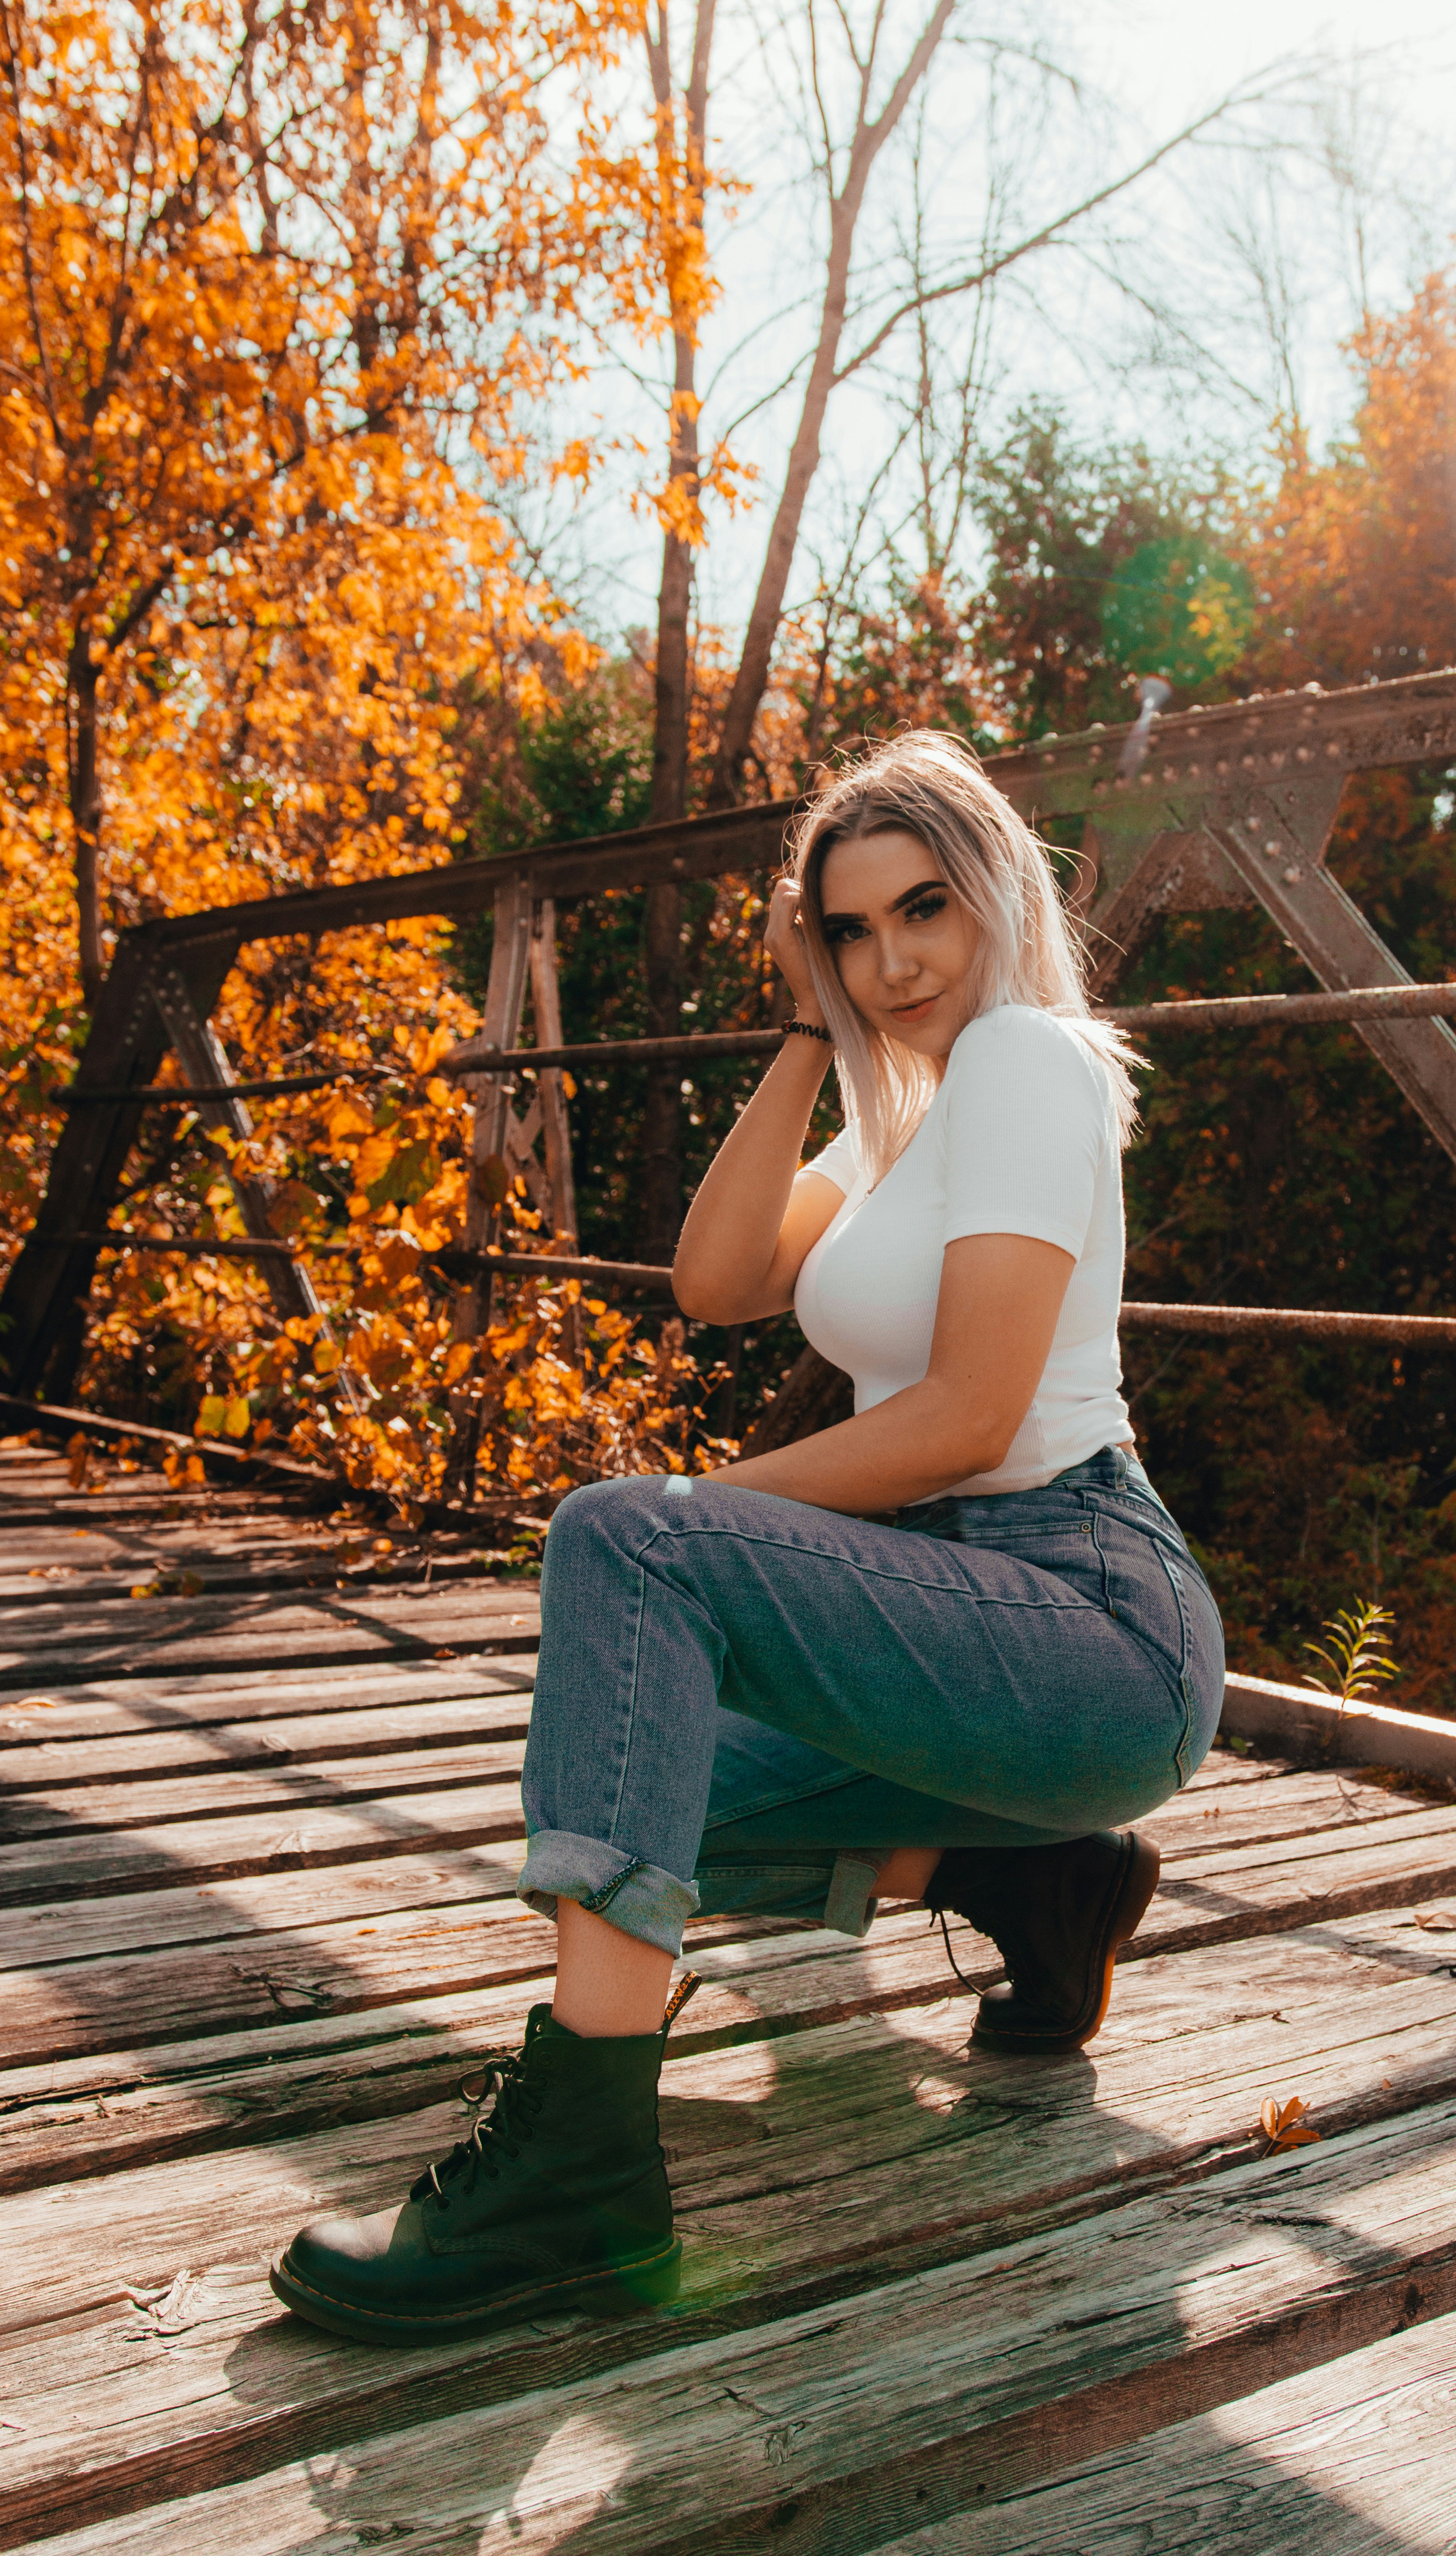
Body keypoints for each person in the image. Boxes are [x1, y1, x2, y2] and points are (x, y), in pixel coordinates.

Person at [269, 730, 1227, 2345]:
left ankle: (579, 2169)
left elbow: (973, 1417)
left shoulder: (1026, 1062)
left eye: (925, 909)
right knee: (635, 1787)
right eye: (850, 930)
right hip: (950, 1627)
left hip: (1088, 1615)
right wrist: (804, 1033)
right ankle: (1036, 1876)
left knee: (626, 1550)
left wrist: (681, 1526)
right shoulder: (899, 1127)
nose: (892, 959)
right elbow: (716, 1280)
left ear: (995, 896)